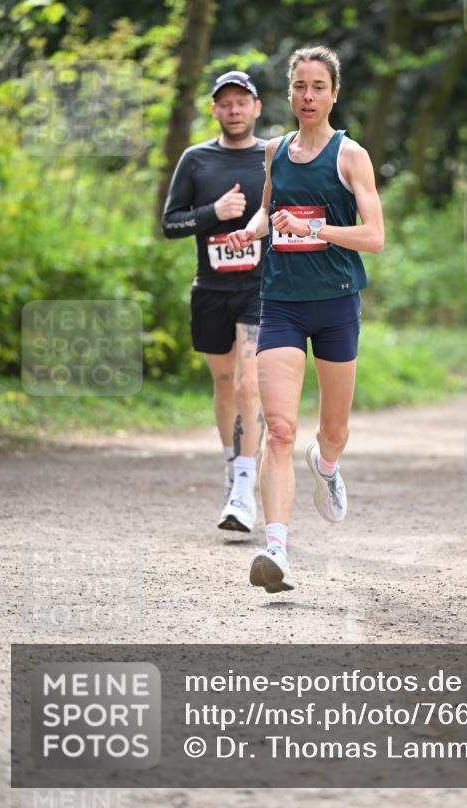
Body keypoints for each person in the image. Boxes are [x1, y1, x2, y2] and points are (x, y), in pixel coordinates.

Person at [227, 45, 384, 592]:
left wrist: (314, 231)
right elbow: (271, 208)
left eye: (318, 86)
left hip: (337, 303)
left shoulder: (351, 156)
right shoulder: (273, 150)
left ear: (334, 94)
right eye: (299, 86)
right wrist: (256, 227)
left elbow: (375, 238)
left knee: (333, 430)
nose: (308, 96)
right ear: (288, 92)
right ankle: (276, 550)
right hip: (283, 304)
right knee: (279, 431)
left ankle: (328, 466)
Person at [162, 70, 267, 531]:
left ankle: (245, 491)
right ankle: (234, 469)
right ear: (215, 110)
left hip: (260, 288)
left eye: (242, 102)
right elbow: (171, 224)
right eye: (225, 103)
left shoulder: (272, 156)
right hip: (210, 290)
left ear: (256, 108)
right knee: (225, 384)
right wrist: (214, 214)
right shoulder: (196, 160)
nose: (234, 110)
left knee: (250, 383)